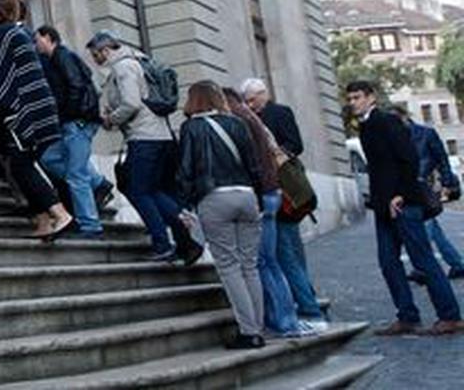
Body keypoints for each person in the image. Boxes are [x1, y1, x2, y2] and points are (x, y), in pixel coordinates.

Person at [348, 80, 463, 336]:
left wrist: (400, 193)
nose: (353, 102)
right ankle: (407, 316)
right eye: (350, 98)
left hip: (404, 203)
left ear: (370, 97)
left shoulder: (387, 121)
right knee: (388, 262)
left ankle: (450, 316)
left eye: (357, 97)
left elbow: (409, 158)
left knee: (423, 260)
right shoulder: (366, 125)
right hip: (383, 206)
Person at [89, 31, 199, 264]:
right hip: (159, 137)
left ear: (105, 50)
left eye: (95, 55)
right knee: (154, 191)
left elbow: (131, 103)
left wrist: (111, 119)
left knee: (139, 191)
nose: (95, 60)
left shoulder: (123, 67)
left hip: (145, 138)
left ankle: (164, 242)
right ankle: (184, 240)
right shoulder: (139, 61)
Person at [224, 88, 321, 338]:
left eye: (254, 98)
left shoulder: (249, 120)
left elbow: (291, 147)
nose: (252, 102)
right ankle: (304, 308)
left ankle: (307, 311)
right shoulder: (255, 120)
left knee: (279, 258)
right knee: (283, 258)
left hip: (272, 194)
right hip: (278, 194)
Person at [0, 0, 74, 240]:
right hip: (37, 109)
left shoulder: (3, 35)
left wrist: (3, 110)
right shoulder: (19, 34)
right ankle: (42, 222)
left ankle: (59, 213)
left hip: (23, 112)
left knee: (21, 165)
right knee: (22, 164)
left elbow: (2, 76)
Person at [178, 82, 266, 350]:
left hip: (214, 197)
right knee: (249, 266)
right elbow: (254, 164)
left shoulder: (191, 127)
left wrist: (185, 204)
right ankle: (258, 328)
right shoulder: (237, 124)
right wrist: (258, 198)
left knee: (229, 267)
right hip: (247, 195)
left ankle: (248, 332)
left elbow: (186, 169)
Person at [34, 25, 114, 239]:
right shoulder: (57, 59)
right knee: (49, 158)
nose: (35, 44)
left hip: (76, 122)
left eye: (38, 39)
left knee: (76, 175)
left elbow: (76, 85)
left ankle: (90, 225)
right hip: (70, 122)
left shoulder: (63, 56)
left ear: (49, 38)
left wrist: (70, 113)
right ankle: (98, 183)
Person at [403, 108, 464, 282]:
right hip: (412, 187)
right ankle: (457, 264)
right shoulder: (398, 136)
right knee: (433, 228)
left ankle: (422, 268)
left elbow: (441, 158)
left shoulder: (426, 133)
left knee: (425, 226)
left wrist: (448, 182)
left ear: (405, 117)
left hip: (427, 185)